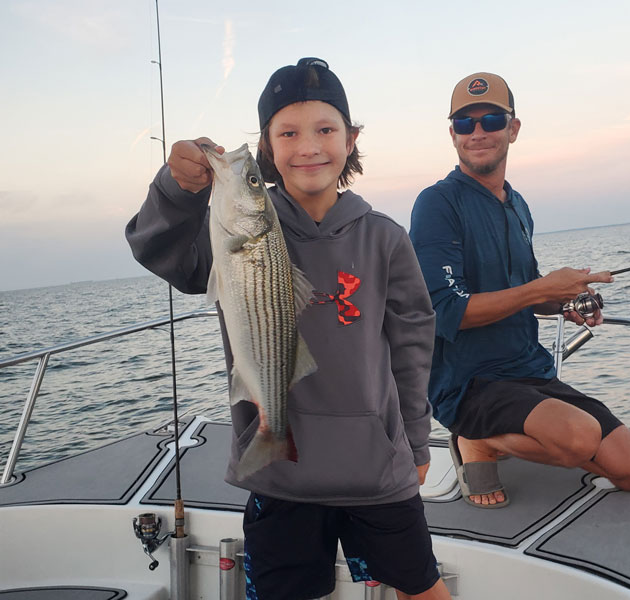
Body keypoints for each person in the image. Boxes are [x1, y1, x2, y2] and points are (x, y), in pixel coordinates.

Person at [126, 58, 451, 600]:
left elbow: (413, 348)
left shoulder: (386, 238)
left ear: (350, 140)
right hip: (282, 477)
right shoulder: (235, 231)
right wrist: (177, 189)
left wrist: (416, 440)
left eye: (326, 129)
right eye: (288, 132)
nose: (309, 146)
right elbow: (159, 250)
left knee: (421, 588)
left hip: (378, 469)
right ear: (267, 148)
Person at [409, 72, 630, 508]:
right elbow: (447, 310)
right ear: (453, 135)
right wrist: (542, 288)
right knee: (579, 437)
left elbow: (526, 291)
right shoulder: (437, 203)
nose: (479, 132)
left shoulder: (518, 204)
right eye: (466, 124)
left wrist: (566, 300)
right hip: (470, 382)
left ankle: (510, 435)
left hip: (530, 371)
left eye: (491, 119)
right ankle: (478, 440)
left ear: (514, 128)